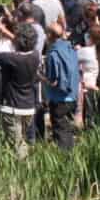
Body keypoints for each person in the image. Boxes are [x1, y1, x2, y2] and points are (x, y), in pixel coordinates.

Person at [0, 21, 40, 157]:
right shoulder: (35, 56)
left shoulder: (10, 58)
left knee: (16, 145)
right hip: (28, 107)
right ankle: (28, 164)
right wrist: (6, 31)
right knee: (22, 141)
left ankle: (22, 169)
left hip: (12, 108)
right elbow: (23, 44)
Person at [40, 21, 80, 149]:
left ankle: (64, 157)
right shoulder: (71, 49)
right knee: (67, 127)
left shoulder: (53, 54)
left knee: (59, 129)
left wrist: (40, 77)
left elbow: (53, 81)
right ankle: (71, 151)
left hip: (59, 98)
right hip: (73, 95)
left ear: (50, 35)